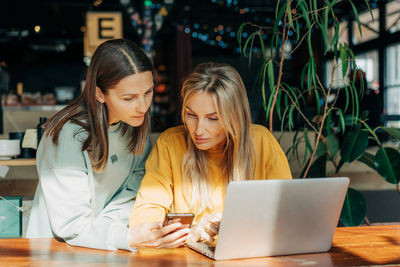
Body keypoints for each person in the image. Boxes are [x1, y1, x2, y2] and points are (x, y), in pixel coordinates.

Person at [26, 39, 190, 251]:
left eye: (148, 92)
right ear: (99, 93)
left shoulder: (132, 125)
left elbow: (133, 190)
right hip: (57, 252)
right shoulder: (68, 135)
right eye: (129, 98)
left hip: (104, 248)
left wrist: (112, 231)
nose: (143, 106)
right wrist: (125, 236)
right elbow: (70, 225)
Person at [129, 62, 292, 243]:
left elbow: (287, 212)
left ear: (235, 117)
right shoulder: (170, 144)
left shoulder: (261, 142)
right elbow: (145, 216)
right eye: (191, 115)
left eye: (213, 118)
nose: (199, 130)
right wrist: (190, 235)